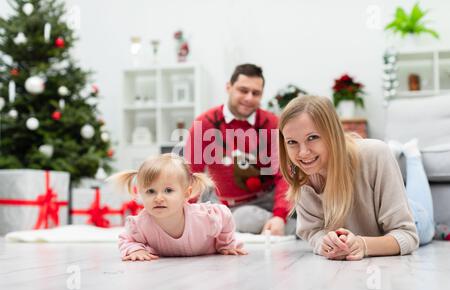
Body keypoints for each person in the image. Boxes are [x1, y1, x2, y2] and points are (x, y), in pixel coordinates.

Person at [278, 95, 434, 260]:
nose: (302, 153)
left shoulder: (376, 153)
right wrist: (325, 242)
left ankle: (412, 155)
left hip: (414, 218)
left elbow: (408, 235)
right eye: (292, 142)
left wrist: (363, 245)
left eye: (313, 137)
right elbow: (313, 232)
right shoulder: (302, 173)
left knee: (423, 222)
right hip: (376, 212)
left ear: (333, 135)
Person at [185, 63, 295, 236]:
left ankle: (279, 225)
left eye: (256, 93)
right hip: (220, 203)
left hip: (264, 200)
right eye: (243, 90)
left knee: (245, 218)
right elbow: (192, 174)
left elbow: (284, 175)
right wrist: (186, 215)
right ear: (229, 87)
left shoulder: (272, 124)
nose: (249, 98)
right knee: (231, 218)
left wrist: (280, 215)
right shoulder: (205, 123)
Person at [109, 153, 247, 261]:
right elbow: (126, 239)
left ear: (186, 194)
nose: (158, 198)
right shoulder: (140, 224)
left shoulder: (203, 218)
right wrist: (135, 250)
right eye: (150, 191)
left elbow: (225, 215)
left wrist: (225, 244)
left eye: (168, 190)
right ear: (140, 194)